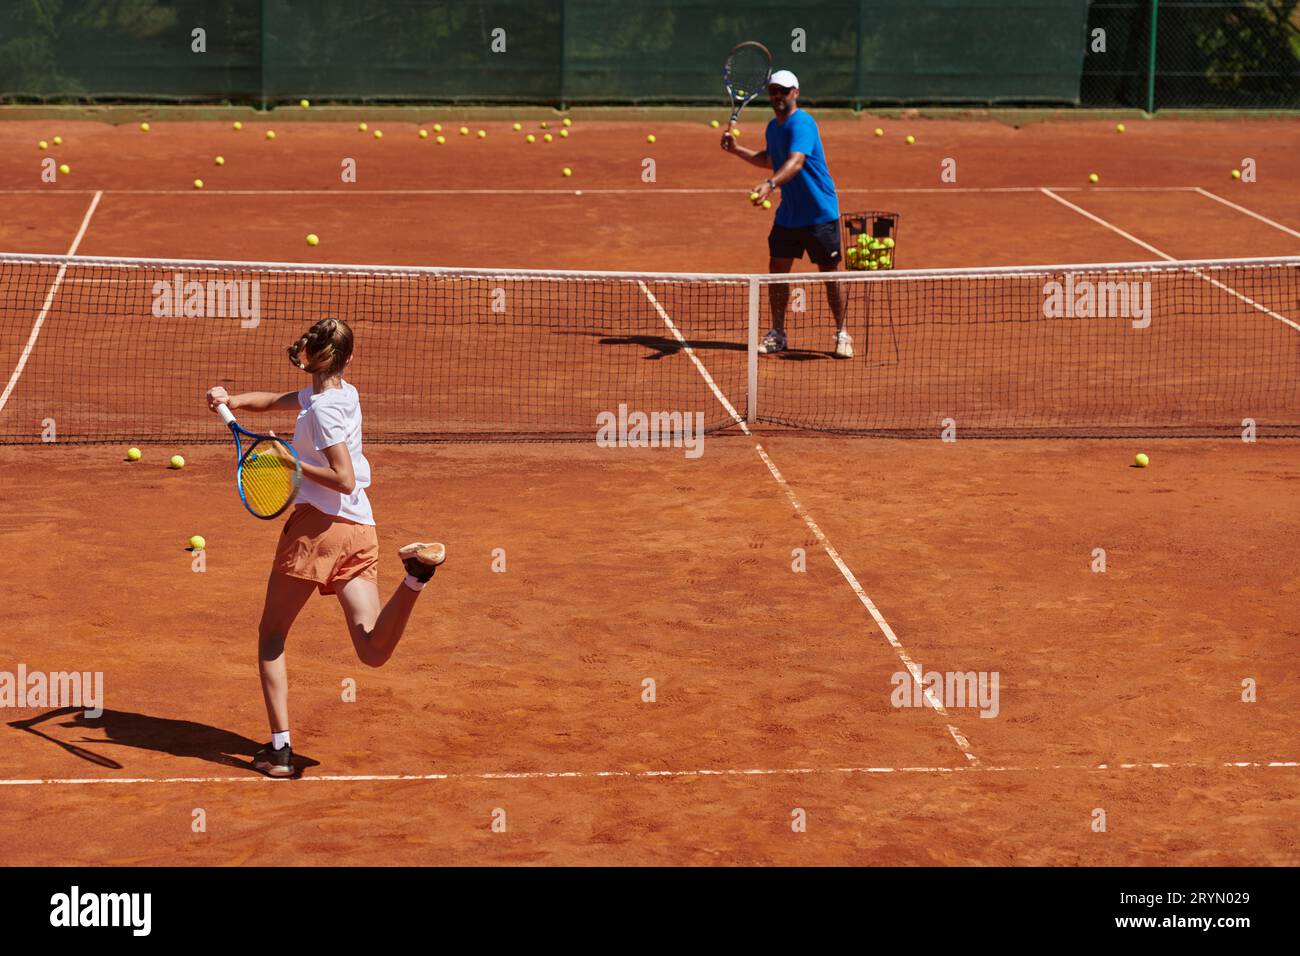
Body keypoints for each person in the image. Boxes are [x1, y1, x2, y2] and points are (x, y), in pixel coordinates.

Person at [205, 317, 445, 778]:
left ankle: (280, 751)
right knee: (372, 650)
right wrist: (230, 400)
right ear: (347, 360)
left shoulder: (320, 411)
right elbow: (276, 401)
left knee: (271, 637)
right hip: (361, 529)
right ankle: (415, 577)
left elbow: (343, 477)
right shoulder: (340, 395)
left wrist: (290, 461)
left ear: (309, 356)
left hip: (319, 530)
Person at [721, 68, 851, 358]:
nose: (777, 95)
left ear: (796, 92)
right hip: (790, 214)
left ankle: (842, 332)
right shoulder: (773, 127)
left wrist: (770, 184)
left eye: (783, 90)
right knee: (777, 273)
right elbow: (771, 159)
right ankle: (777, 333)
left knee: (830, 275)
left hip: (819, 212)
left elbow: (795, 162)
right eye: (773, 91)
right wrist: (738, 150)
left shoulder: (802, 123)